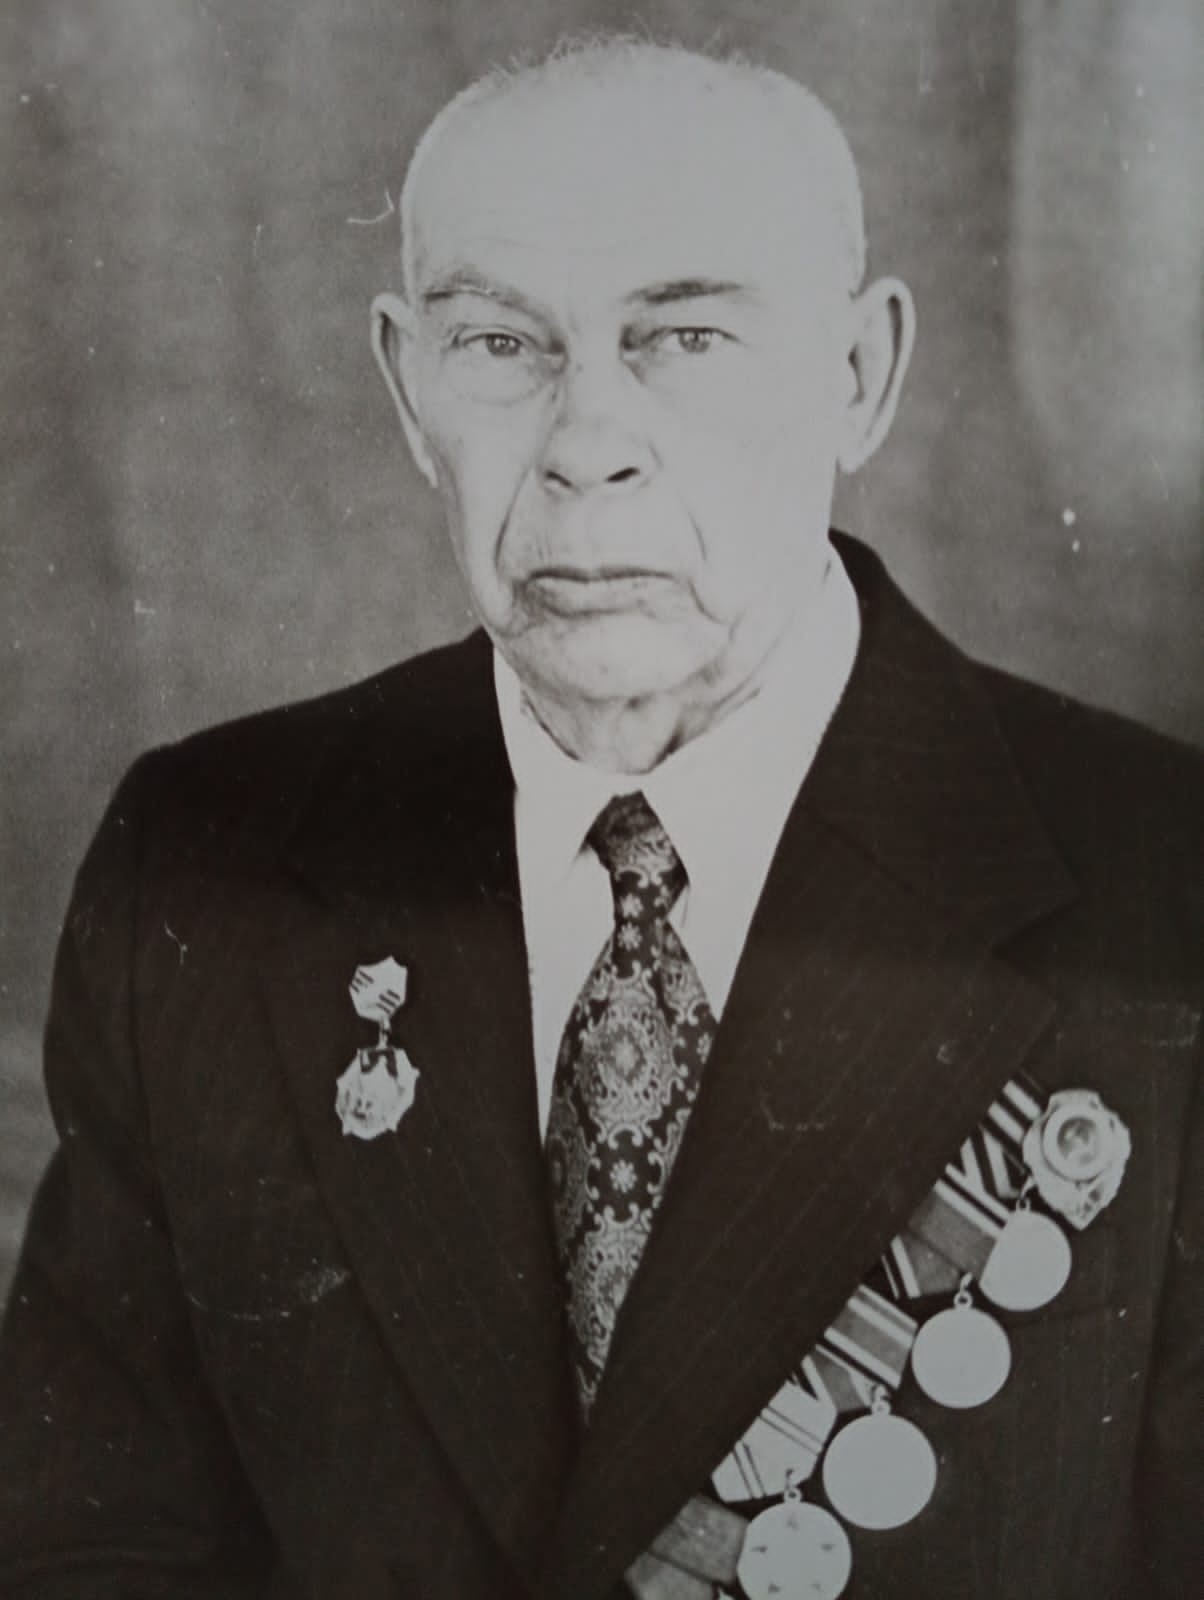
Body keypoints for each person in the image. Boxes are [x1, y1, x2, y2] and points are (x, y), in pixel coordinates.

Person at [0, 36, 1200, 1600]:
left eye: (685, 338)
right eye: (502, 344)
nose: (584, 444)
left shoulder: (1163, 880)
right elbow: (90, 1549)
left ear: (858, 376)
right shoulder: (207, 868)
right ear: (408, 387)